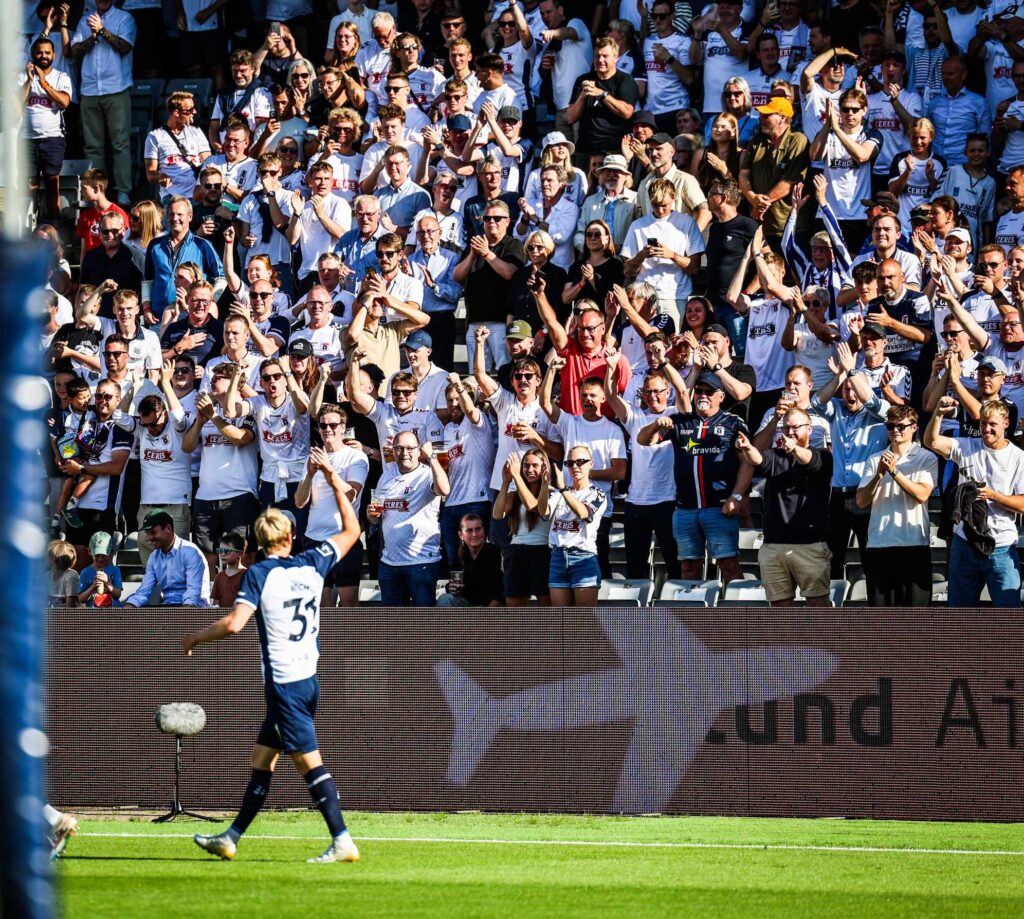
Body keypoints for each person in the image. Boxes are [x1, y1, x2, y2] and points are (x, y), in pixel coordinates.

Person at [186, 485, 361, 864]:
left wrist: (196, 638)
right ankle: (230, 837)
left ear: (255, 543)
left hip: (284, 684)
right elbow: (352, 530)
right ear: (291, 536)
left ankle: (342, 839)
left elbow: (234, 624)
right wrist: (332, 479)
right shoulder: (312, 562)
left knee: (307, 762)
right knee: (262, 759)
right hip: (308, 679)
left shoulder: (259, 574)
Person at [638, 371, 747, 587]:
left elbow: (748, 462)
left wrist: (736, 495)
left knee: (728, 564)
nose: (702, 395)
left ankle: (739, 614)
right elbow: (644, 440)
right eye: (699, 391)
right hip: (685, 510)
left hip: (719, 508)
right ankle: (693, 616)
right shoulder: (679, 421)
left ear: (721, 396)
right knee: (688, 568)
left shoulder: (733, 422)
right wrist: (655, 426)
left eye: (709, 392)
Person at [924, 396, 1024, 607]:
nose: (986, 429)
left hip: (1001, 545)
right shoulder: (966, 445)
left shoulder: (1018, 457)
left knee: (1009, 615)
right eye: (983, 423)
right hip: (965, 541)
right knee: (959, 615)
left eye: (992, 424)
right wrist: (939, 414)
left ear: (1006, 424)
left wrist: (994, 495)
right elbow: (930, 441)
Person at [734, 408, 834, 607]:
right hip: (773, 546)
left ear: (809, 429)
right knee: (780, 609)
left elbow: (809, 462)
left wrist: (794, 449)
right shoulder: (775, 455)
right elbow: (758, 459)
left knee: (818, 605)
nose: (790, 431)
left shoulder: (824, 455)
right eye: (786, 427)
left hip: (810, 546)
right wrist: (747, 448)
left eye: (796, 427)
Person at [811, 342, 891, 582]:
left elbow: (873, 402)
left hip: (865, 494)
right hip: (837, 495)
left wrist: (853, 373)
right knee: (833, 556)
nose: (850, 393)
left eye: (854, 388)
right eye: (846, 389)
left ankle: (874, 610)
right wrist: (840, 375)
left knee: (871, 555)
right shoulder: (837, 409)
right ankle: (834, 611)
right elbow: (816, 403)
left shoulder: (879, 412)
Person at [540, 359, 626, 577]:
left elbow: (619, 472)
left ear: (603, 398)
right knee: (563, 563)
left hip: (597, 508)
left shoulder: (612, 430)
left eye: (593, 395)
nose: (587, 399)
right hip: (567, 506)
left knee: (598, 561)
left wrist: (583, 474)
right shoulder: (571, 423)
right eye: (584, 395)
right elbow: (545, 405)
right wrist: (551, 371)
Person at [855, 404, 937, 606]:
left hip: (913, 544)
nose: (895, 431)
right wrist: (879, 475)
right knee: (881, 621)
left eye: (901, 426)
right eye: (890, 426)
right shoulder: (875, 460)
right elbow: (861, 500)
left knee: (916, 619)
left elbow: (923, 494)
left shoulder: (926, 457)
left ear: (914, 427)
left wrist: (895, 472)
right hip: (880, 544)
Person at [295, 405, 369, 608]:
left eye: (333, 425)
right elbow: (300, 501)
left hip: (343, 537)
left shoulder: (356, 457)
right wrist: (310, 474)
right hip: (315, 537)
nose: (328, 429)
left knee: (348, 602)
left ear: (343, 427)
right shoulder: (313, 458)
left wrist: (328, 470)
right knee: (321, 603)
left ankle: (349, 640)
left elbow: (351, 495)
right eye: (323, 425)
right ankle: (325, 641)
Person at [368, 431, 450, 606]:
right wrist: (372, 516)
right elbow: (378, 518)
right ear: (393, 450)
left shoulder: (427, 473)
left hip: (421, 561)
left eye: (410, 448)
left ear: (419, 450)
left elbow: (444, 490)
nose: (405, 453)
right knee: (394, 625)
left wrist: (432, 458)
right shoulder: (386, 476)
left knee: (421, 623)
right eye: (399, 448)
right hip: (390, 562)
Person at [67, 0, 136, 204]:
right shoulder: (84, 20)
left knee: (120, 143)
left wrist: (102, 30)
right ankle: (98, 192)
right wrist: (92, 36)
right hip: (90, 88)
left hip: (117, 87)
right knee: (92, 146)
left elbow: (125, 47)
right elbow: (75, 51)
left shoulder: (125, 18)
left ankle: (123, 191)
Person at [454, 200, 526, 372]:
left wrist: (486, 253)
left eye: (497, 218)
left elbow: (509, 272)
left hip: (501, 322)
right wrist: (472, 255)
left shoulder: (513, 244)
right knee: (476, 373)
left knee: (504, 370)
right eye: (487, 218)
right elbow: (457, 275)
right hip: (475, 322)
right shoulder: (475, 244)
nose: (491, 222)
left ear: (507, 221)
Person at [438, 375, 496, 566]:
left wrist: (459, 386)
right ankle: (458, 596)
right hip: (451, 503)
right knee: (454, 562)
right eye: (450, 400)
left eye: (458, 399)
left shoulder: (477, 421)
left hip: (477, 500)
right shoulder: (447, 430)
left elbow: (470, 410)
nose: (454, 404)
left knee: (478, 561)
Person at [143, 197, 224, 322]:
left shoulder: (203, 245)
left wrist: (208, 301)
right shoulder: (155, 245)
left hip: (191, 318)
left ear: (190, 217)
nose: (175, 218)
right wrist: (146, 307)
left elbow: (221, 278)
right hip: (158, 317)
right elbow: (148, 280)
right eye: (171, 214)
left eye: (180, 214)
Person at [546, 444, 606, 606]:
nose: (575, 467)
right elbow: (543, 513)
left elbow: (583, 513)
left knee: (584, 622)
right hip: (558, 556)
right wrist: (545, 484)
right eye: (570, 463)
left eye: (580, 462)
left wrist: (563, 489)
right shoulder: (559, 492)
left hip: (583, 557)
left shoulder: (598, 494)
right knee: (562, 622)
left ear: (591, 463)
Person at [492, 449, 552, 606]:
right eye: (525, 466)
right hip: (516, 551)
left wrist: (517, 477)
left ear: (544, 467)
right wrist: (505, 482)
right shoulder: (514, 493)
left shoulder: (551, 493)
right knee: (515, 609)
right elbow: (498, 514)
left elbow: (534, 507)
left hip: (542, 552)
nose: (529, 470)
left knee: (547, 604)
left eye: (535, 465)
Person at [21, 36, 72, 221]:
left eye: (47, 52)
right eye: (39, 52)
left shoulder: (61, 77)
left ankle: (54, 225)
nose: (43, 56)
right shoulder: (22, 76)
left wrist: (43, 83)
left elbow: (65, 102)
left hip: (53, 138)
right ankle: (30, 224)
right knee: (29, 185)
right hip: (27, 139)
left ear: (53, 55)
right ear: (33, 54)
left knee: (52, 183)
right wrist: (29, 81)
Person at [566, 35, 639, 158]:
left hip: (614, 149)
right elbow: (570, 118)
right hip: (586, 148)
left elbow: (627, 112)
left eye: (605, 56)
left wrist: (602, 94)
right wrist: (583, 96)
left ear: (616, 58)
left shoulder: (625, 80)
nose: (600, 60)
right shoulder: (583, 80)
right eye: (597, 56)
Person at [126, 509, 211, 607]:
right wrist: (129, 606)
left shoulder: (190, 552)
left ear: (168, 528)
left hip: (196, 607)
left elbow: (193, 593)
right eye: (147, 533)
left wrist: (181, 616)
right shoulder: (154, 557)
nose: (150, 538)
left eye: (153, 532)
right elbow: (144, 591)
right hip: (169, 607)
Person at [145, 91, 212, 204]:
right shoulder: (155, 136)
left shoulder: (197, 132)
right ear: (176, 112)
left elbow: (208, 163)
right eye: (189, 110)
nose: (194, 112)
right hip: (171, 196)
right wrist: (160, 176)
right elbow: (150, 174)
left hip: (197, 195)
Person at [437, 514, 504, 607]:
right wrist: (451, 587)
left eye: (478, 529)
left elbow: (502, 584)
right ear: (461, 535)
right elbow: (455, 583)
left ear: (483, 530)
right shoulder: (458, 555)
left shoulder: (494, 551)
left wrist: (496, 601)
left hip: (489, 605)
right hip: (466, 604)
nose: (474, 534)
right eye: (469, 530)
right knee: (445, 599)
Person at [76, 530, 123, 608]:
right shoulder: (85, 572)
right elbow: (81, 599)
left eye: (104, 555)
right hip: (94, 615)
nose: (100, 559)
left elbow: (117, 595)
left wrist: (107, 582)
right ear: (89, 551)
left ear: (110, 552)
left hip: (113, 613)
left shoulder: (115, 570)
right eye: (97, 555)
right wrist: (93, 586)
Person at [210, 533, 248, 609]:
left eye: (227, 551)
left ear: (240, 553)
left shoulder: (248, 575)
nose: (222, 554)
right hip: (223, 618)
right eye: (220, 550)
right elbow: (216, 603)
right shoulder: (219, 577)